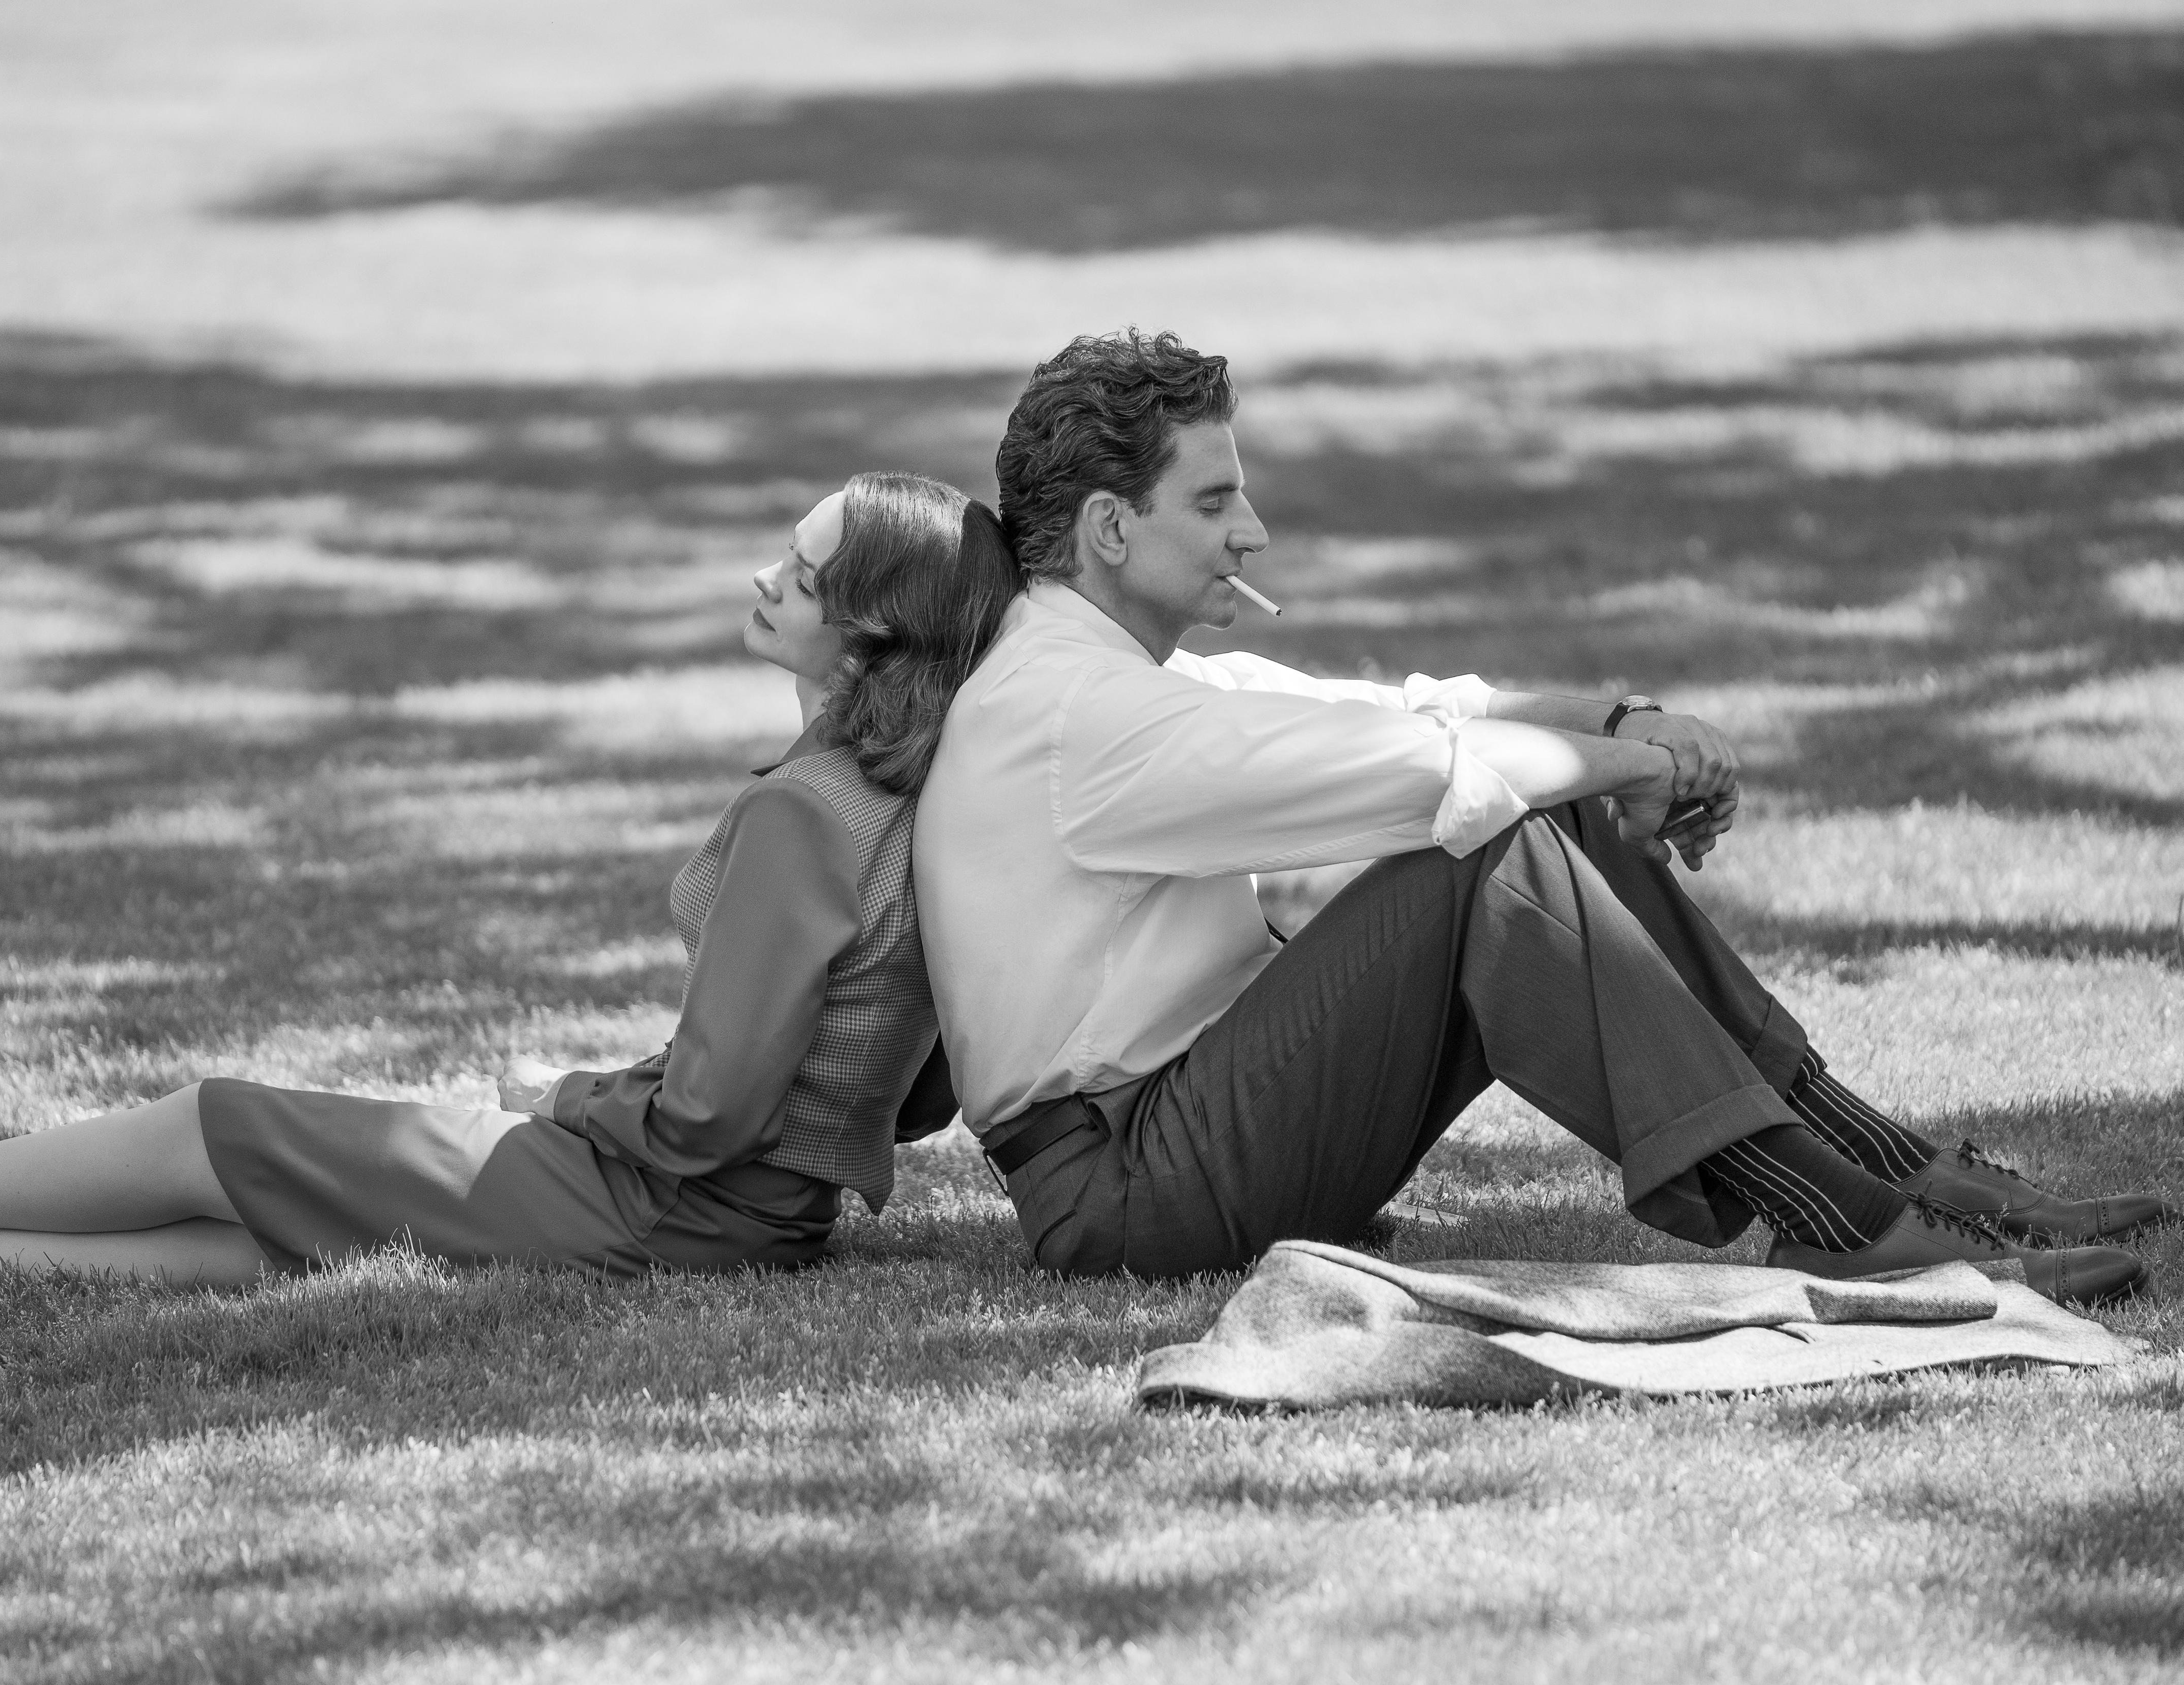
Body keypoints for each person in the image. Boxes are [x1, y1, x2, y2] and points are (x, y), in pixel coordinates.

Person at [913, 330, 2168, 1302]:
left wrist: (1615, 729)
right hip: (1129, 1187)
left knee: (1536, 805)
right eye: (1212, 502)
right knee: (1486, 843)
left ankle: (1888, 1172)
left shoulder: (1121, 672)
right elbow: (1415, 772)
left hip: (1190, 1123)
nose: (1254, 528)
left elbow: (1396, 712)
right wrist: (1600, 761)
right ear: (1108, 527)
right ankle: (1842, 1224)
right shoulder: (1075, 710)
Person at [0, 472, 1021, 1294]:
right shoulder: (920, 808)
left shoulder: (807, 815)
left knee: (218, 1123)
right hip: (743, 1223)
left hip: (667, 1203)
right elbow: (917, 1090)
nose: (763, 574)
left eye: (802, 570)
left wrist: (564, 1096)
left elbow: (706, 1111)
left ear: (875, 631)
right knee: (249, 1231)